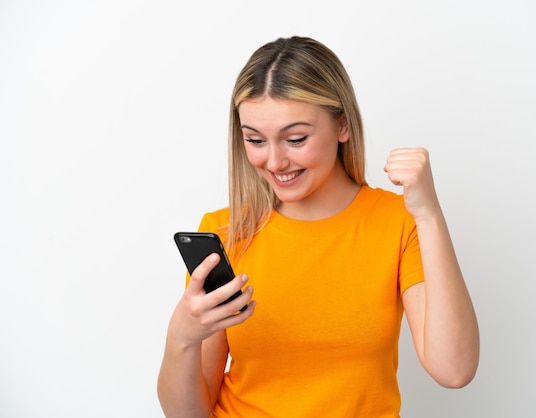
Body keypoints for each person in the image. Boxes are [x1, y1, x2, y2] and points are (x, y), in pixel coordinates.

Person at [157, 36, 479, 418]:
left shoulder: (399, 222)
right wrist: (181, 338)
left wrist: (429, 214)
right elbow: (188, 414)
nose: (275, 162)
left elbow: (454, 370)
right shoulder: (227, 231)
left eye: (295, 139)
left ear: (342, 125)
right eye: (255, 140)